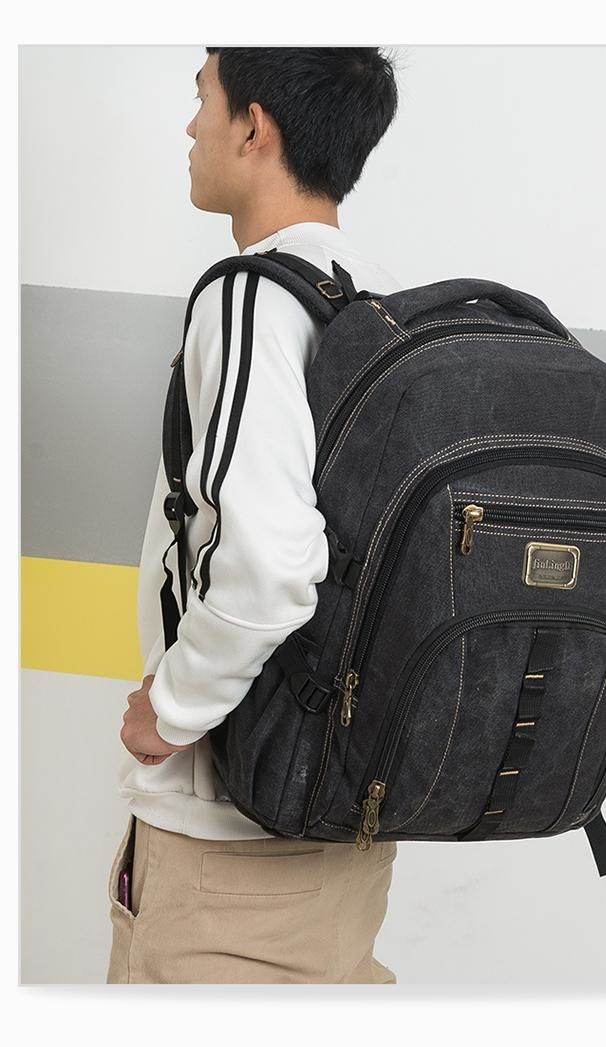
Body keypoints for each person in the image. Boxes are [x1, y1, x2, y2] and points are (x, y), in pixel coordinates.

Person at [106, 46, 404, 984]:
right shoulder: (374, 300)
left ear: (253, 127)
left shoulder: (251, 297)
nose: (191, 126)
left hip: (227, 858)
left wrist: (172, 708)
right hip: (346, 834)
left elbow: (271, 564)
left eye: (203, 97)